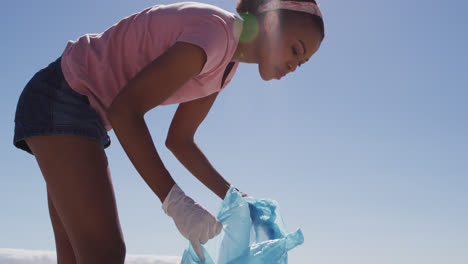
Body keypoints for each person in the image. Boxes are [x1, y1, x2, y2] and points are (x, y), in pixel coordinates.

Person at [13, 0, 325, 263]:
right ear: (270, 25)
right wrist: (177, 203)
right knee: (104, 253)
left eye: (304, 62)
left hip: (81, 113)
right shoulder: (216, 35)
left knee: (83, 257)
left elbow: (180, 140)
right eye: (296, 50)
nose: (295, 66)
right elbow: (124, 111)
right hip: (64, 95)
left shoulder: (226, 65)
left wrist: (239, 199)